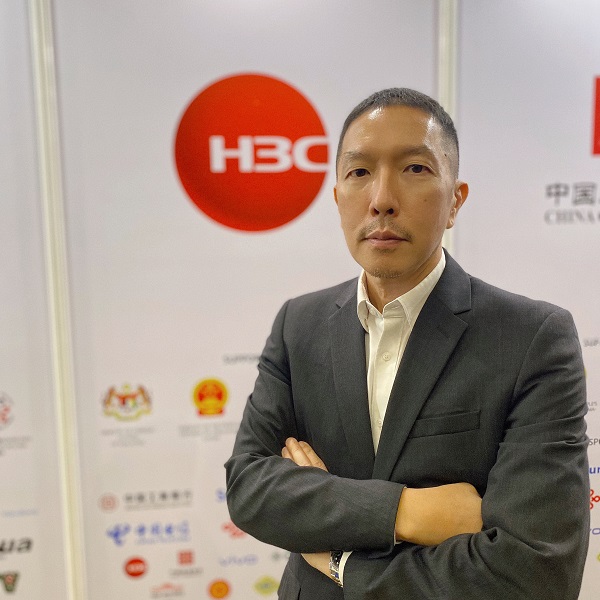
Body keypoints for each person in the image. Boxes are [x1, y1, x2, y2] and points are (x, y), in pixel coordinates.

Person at [225, 88, 589, 599]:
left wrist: (341, 563)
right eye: (359, 172)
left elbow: (535, 572)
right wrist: (408, 511)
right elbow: (249, 487)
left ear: (455, 200)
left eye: (415, 169)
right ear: (337, 197)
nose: (381, 199)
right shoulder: (299, 325)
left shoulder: (531, 338)